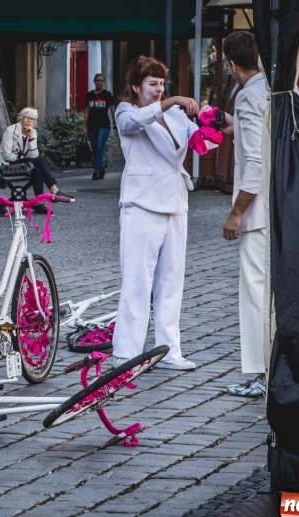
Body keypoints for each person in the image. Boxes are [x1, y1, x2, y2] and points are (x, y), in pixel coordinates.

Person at [111, 56, 203, 372]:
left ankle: (169, 351)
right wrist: (172, 101)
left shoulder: (175, 114)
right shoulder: (126, 110)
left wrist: (219, 120)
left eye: (162, 84)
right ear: (136, 87)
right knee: (137, 280)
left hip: (176, 201)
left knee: (171, 280)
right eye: (152, 83)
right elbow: (129, 125)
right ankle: (126, 353)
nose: (159, 89)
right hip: (141, 203)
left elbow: (200, 137)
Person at [221, 31, 269, 398]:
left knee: (255, 293)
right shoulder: (272, 88)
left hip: (258, 212)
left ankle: (261, 372)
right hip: (277, 206)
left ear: (232, 64)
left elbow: (254, 162)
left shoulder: (249, 96)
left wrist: (237, 213)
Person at [0, 107, 73, 214]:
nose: (30, 121)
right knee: (39, 162)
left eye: (33, 119)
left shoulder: (33, 133)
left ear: (35, 122)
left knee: (37, 170)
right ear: (21, 118)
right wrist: (23, 158)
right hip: (5, 166)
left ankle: (39, 203)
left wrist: (31, 138)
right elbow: (7, 156)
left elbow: (34, 155)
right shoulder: (10, 131)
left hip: (20, 165)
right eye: (27, 118)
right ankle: (54, 190)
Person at [83, 73, 116, 181]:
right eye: (98, 80)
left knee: (99, 146)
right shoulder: (90, 95)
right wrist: (84, 127)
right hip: (92, 125)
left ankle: (96, 171)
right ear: (94, 81)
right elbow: (87, 111)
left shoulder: (107, 95)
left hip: (104, 125)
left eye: (101, 81)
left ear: (104, 82)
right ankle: (101, 169)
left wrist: (116, 123)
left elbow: (112, 109)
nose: (99, 82)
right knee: (95, 149)